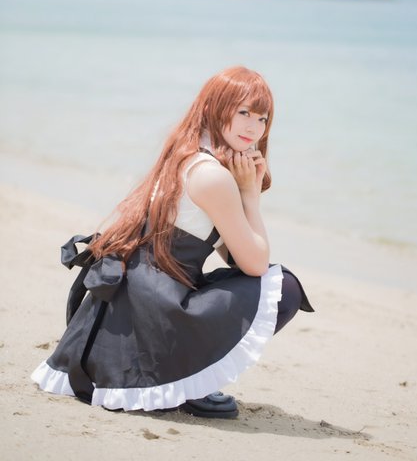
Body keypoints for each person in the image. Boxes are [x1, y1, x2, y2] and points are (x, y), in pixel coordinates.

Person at [32, 66, 314, 419]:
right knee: (283, 287)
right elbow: (256, 265)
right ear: (214, 108)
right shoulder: (212, 176)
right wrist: (250, 198)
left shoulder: (186, 155)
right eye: (244, 112)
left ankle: (186, 378)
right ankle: (191, 384)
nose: (254, 127)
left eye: (262, 118)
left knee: (254, 281)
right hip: (156, 308)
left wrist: (243, 195)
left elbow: (235, 257)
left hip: (137, 301)